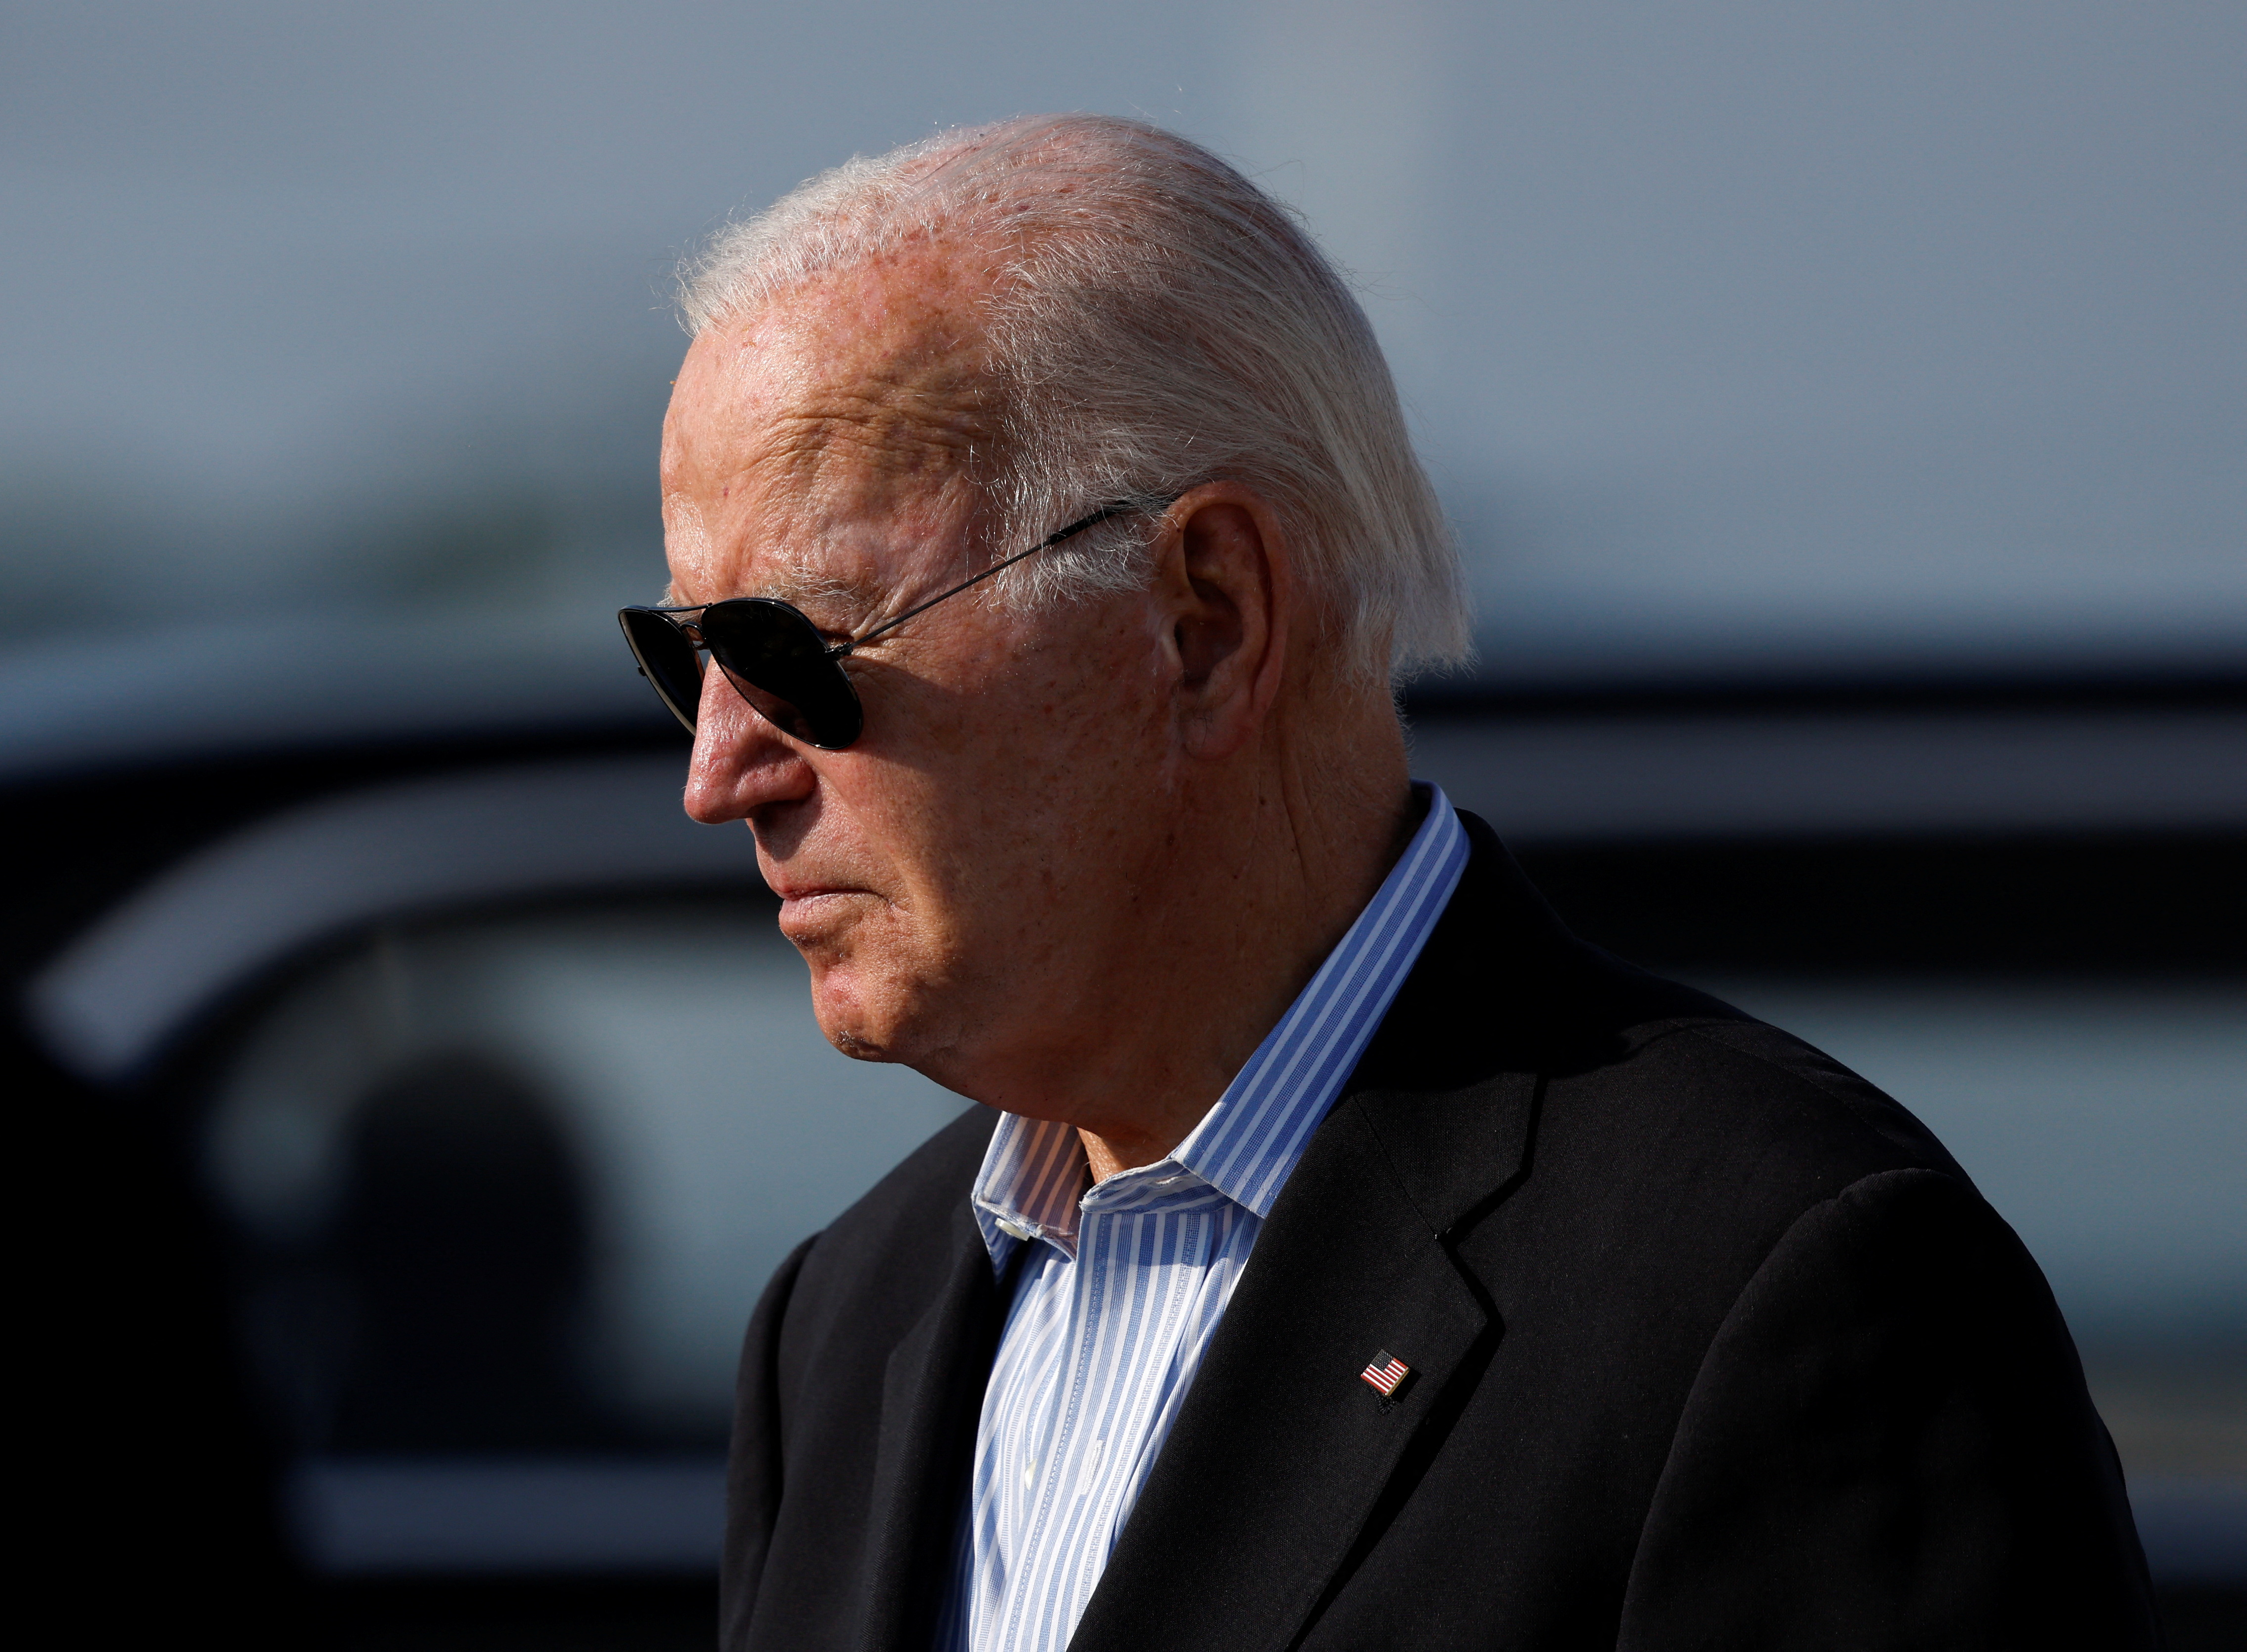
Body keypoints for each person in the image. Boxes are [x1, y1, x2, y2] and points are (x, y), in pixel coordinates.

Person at [621, 114, 2158, 1652]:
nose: (718, 773)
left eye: (789, 650)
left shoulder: (1768, 1283)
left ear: (1205, 622)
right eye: (683, 659)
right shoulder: (849, 1319)